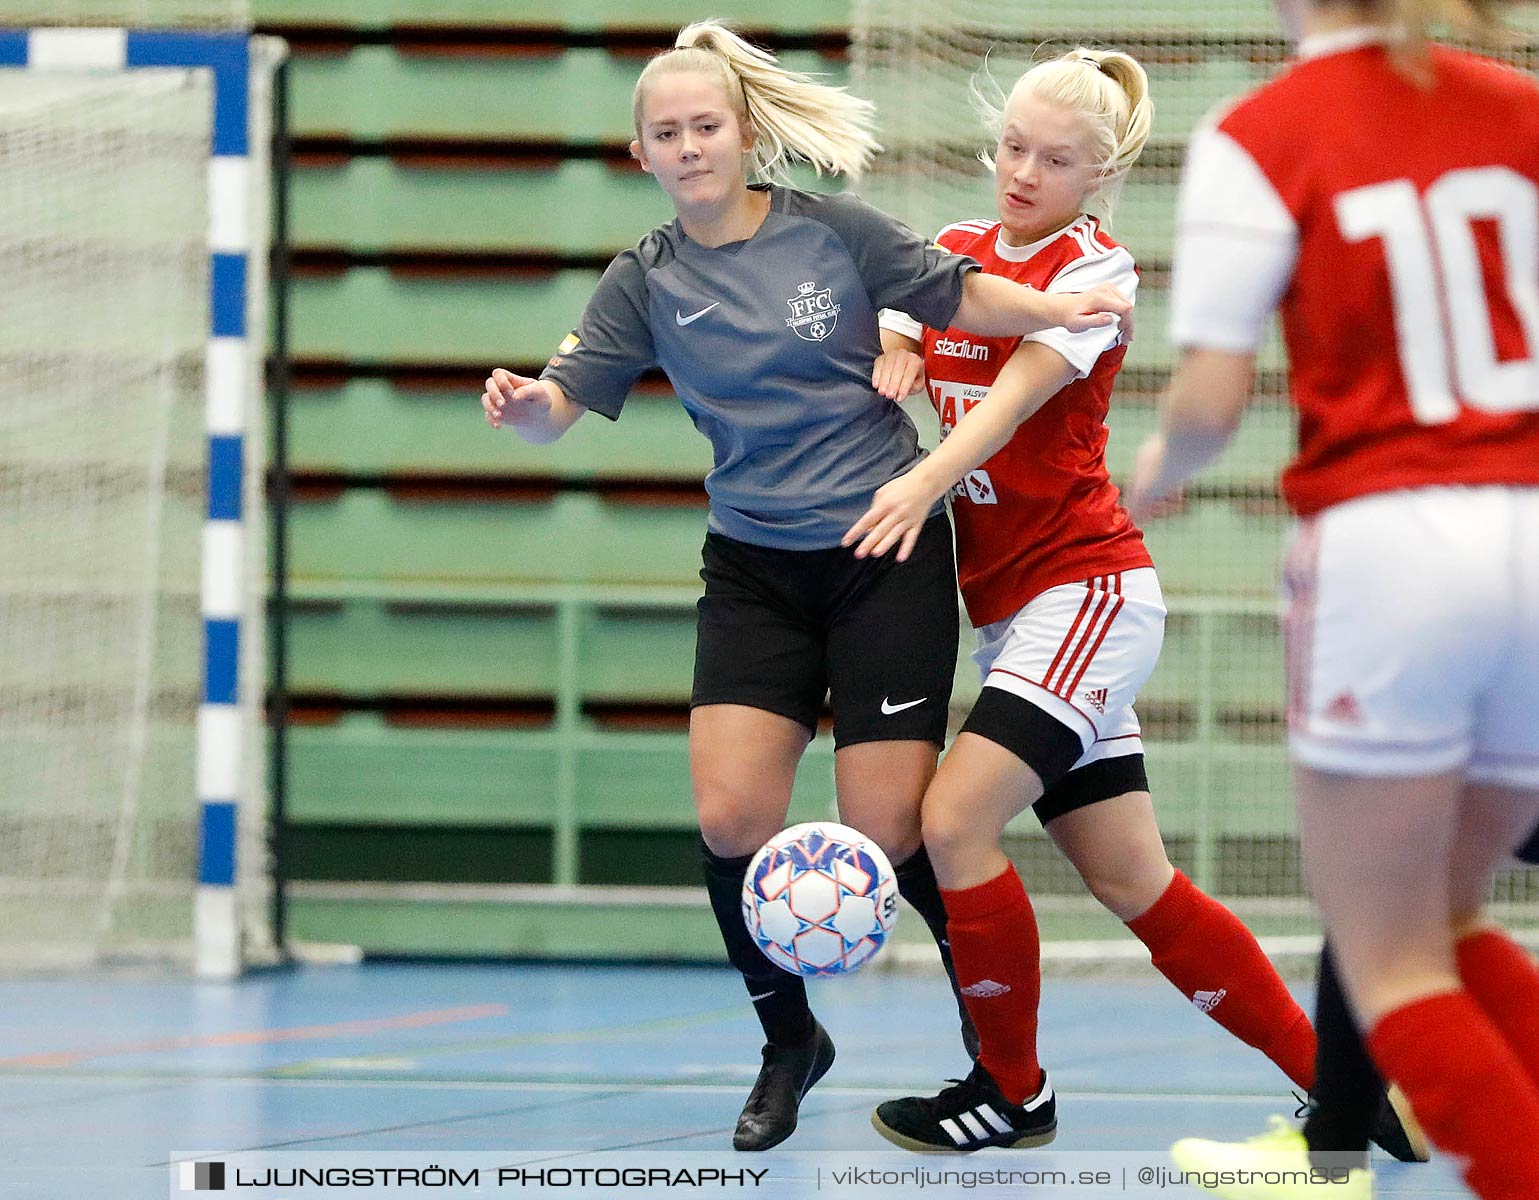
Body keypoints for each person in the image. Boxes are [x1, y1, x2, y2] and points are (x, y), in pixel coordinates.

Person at [480, 20, 1132, 1152]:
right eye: (665, 134)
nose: (688, 147)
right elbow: (561, 403)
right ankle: (789, 1041)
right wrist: (528, 410)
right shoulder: (645, 279)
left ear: (743, 136)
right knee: (732, 818)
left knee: (887, 828)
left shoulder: (832, 233)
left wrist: (1056, 310)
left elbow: (961, 296)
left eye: (705, 127)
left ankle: (1002, 1062)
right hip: (753, 568)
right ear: (639, 153)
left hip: (885, 555)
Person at [833, 44, 1372, 1155]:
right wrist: (893, 339)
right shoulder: (956, 252)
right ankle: (1351, 1094)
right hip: (1015, 614)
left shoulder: (1100, 274)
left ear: (1100, 175)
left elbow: (1009, 403)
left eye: (1056, 159)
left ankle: (1012, 1090)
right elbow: (905, 299)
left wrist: (921, 479)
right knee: (1136, 880)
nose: (1023, 172)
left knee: (950, 818)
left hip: (1085, 593)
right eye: (1012, 148)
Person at [1124, 0, 1539, 1195]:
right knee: (1447, 921)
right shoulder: (1516, 107)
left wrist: (1159, 475)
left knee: (1392, 952)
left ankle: (1360, 1158)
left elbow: (1208, 403)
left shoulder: (1262, 130)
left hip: (1395, 540)